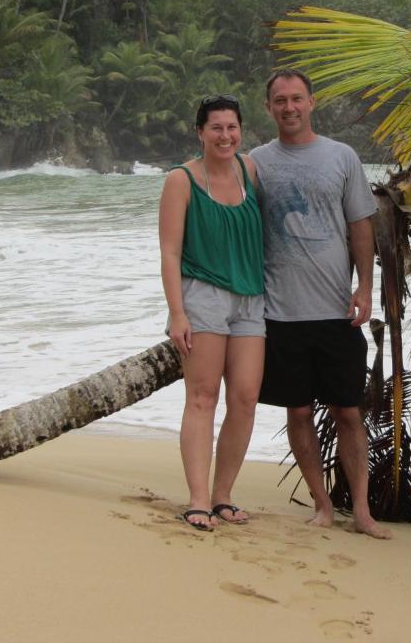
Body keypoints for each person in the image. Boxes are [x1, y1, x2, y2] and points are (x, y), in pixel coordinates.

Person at [252, 69, 392, 540]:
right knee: (297, 413)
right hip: (279, 313)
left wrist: (365, 289)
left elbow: (361, 226)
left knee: (349, 413)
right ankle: (323, 505)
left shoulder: (342, 157)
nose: (288, 108)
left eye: (296, 99)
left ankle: (363, 511)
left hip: (337, 311)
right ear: (268, 107)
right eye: (279, 101)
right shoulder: (255, 163)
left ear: (312, 102)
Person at [159, 95, 265, 531]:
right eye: (216, 128)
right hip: (202, 295)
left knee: (244, 398)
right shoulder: (181, 180)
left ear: (241, 131)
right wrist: (177, 313)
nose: (225, 136)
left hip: (251, 298)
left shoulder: (249, 170)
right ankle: (198, 499)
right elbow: (168, 251)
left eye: (232, 128)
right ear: (200, 132)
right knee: (203, 398)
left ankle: (223, 495)